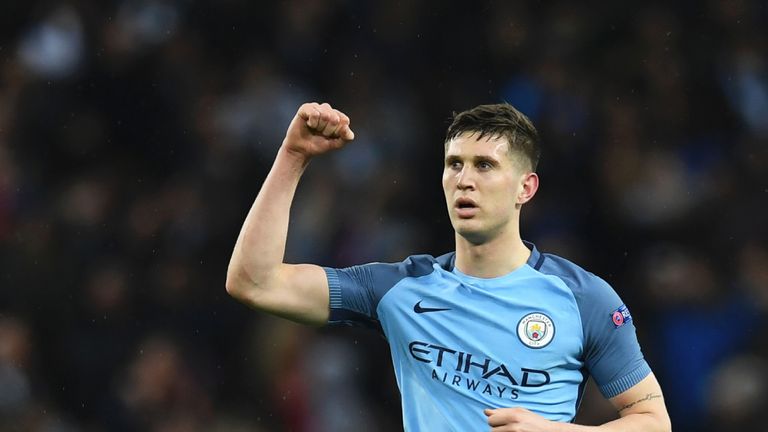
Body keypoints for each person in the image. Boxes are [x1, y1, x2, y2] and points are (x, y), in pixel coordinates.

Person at [226, 102, 672, 431]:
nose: (464, 179)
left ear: (525, 188)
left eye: (484, 165)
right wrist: (292, 157)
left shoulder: (584, 299)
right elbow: (254, 281)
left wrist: (554, 431)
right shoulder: (399, 291)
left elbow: (653, 421)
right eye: (454, 164)